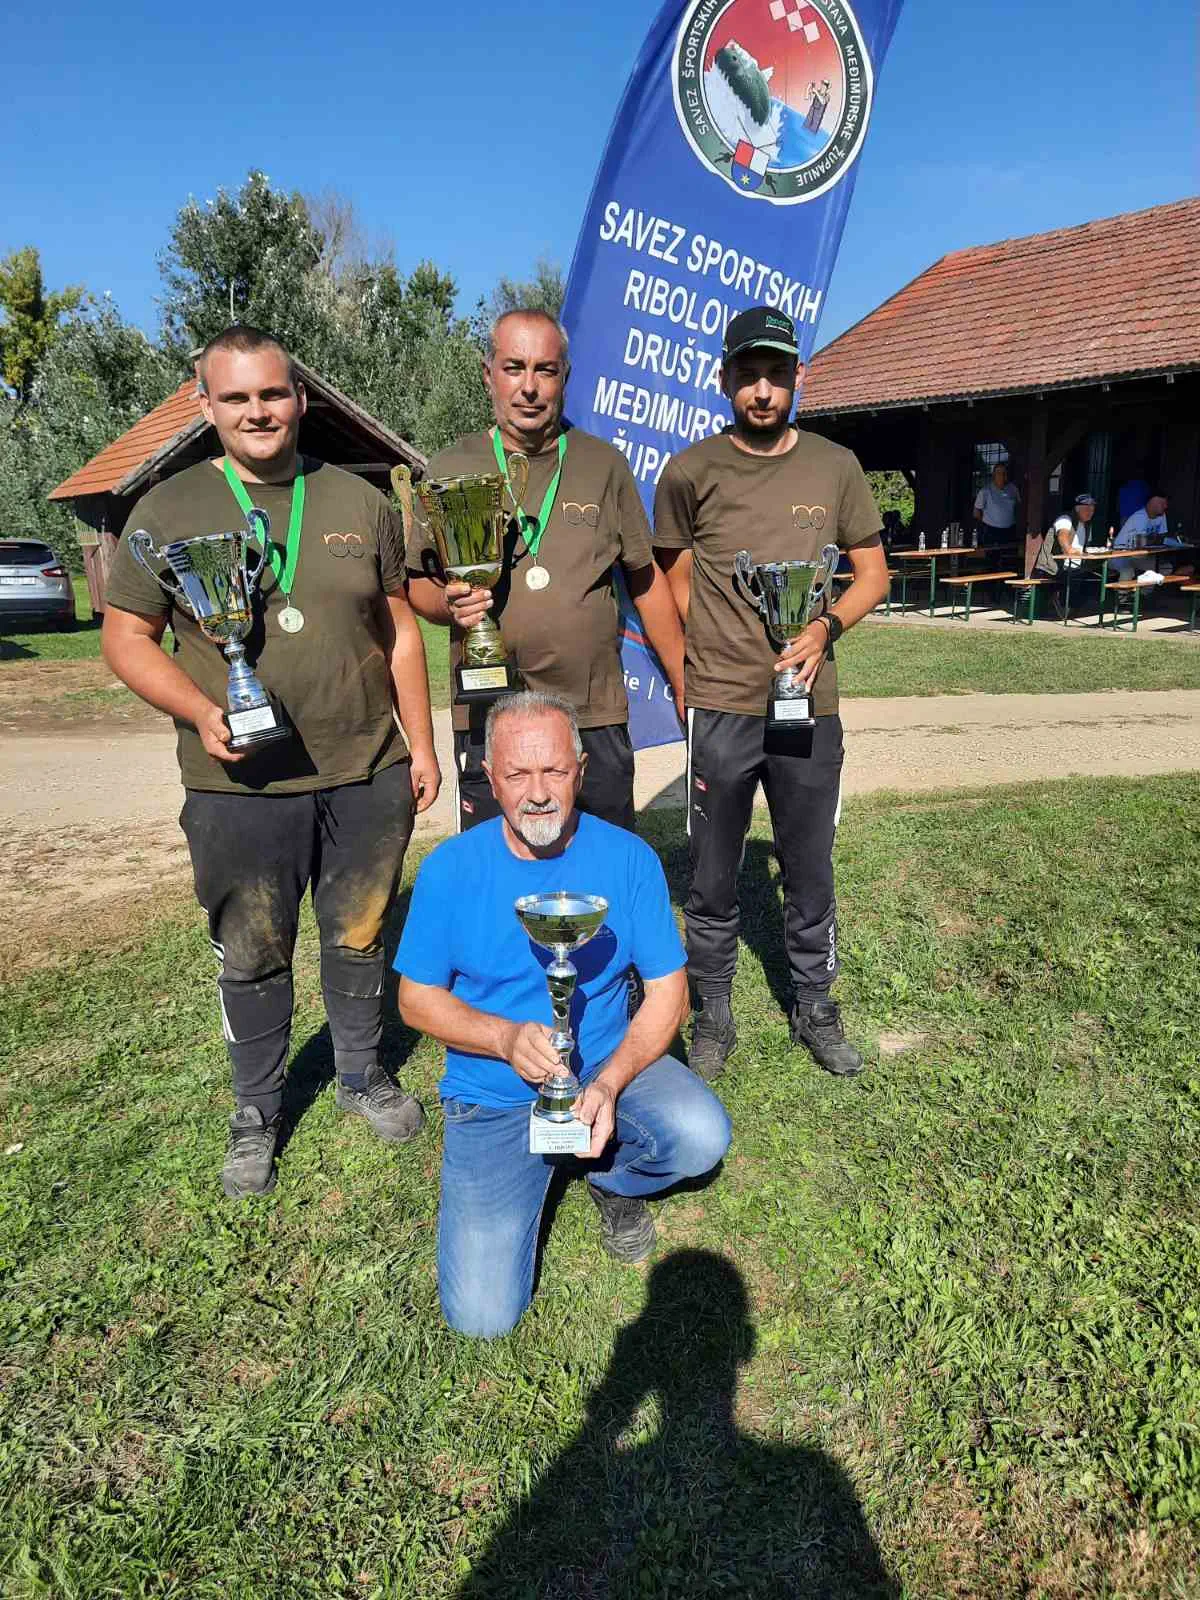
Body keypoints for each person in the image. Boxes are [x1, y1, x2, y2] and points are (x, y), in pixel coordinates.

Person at [101, 325, 440, 1199]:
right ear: (206, 404)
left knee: (360, 932)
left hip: (366, 769)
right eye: (238, 397)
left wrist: (422, 745)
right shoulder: (168, 509)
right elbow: (126, 638)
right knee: (251, 949)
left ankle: (361, 1075)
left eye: (273, 393)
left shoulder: (356, 500)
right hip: (238, 784)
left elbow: (399, 629)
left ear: (299, 399)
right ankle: (257, 1108)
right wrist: (200, 709)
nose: (260, 411)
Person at [394, 691, 731, 1339]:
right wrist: (503, 1036)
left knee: (699, 1135)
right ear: (489, 778)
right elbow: (415, 999)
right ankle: (536, 1165)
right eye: (517, 775)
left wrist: (607, 1082)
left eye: (554, 771)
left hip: (605, 1065)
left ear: (582, 768)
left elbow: (667, 994)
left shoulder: (628, 859)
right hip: (491, 1096)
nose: (538, 792)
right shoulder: (450, 870)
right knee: (483, 1319)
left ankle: (609, 1176)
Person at [653, 306, 890, 1081]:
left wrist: (823, 629)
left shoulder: (836, 466)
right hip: (721, 705)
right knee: (713, 871)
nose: (762, 390)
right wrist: (710, 651)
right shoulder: (689, 472)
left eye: (777, 374)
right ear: (725, 380)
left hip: (808, 709)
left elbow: (874, 575)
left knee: (809, 861)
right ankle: (712, 1010)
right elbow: (675, 574)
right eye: (748, 375)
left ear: (796, 378)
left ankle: (816, 1003)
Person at [405, 308, 685, 833]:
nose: (529, 387)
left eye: (545, 370)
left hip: (592, 715)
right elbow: (417, 584)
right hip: (489, 711)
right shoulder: (450, 468)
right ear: (488, 374)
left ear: (565, 377)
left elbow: (645, 583)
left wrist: (683, 678)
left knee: (601, 868)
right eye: (514, 368)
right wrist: (448, 604)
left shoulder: (604, 465)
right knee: (499, 876)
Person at [1112, 490, 1172, 579]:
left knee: (1166, 568)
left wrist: (1151, 539)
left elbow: (1162, 537)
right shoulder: (1140, 517)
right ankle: (1123, 593)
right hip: (1121, 554)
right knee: (1128, 571)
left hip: (1140, 555)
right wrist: (1153, 539)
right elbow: (1142, 541)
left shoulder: (1162, 515)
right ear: (1153, 503)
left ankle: (1142, 592)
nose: (1166, 506)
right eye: (1163, 504)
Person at [973, 461, 1021, 543]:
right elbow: (976, 512)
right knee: (992, 554)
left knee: (1011, 554)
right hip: (991, 531)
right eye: (998, 473)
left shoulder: (1013, 489)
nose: (1001, 475)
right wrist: (988, 523)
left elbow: (1019, 506)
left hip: (1010, 531)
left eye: (1004, 473)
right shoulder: (985, 491)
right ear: (994, 475)